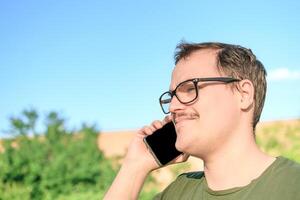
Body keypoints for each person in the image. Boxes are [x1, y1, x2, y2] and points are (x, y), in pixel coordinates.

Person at [104, 42, 300, 200]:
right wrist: (135, 166)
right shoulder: (176, 193)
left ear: (244, 94)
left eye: (190, 88)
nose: (173, 107)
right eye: (171, 96)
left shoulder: (292, 185)